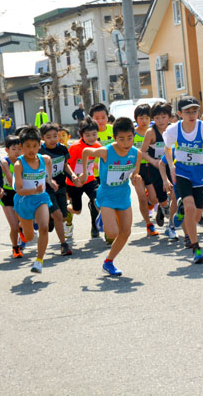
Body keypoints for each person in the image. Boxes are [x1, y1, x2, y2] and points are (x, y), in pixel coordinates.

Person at [80, 117, 141, 276]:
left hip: (123, 195)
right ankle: (102, 215)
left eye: (129, 138)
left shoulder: (136, 153)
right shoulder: (106, 151)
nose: (126, 142)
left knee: (126, 231)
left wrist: (136, 178)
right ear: (114, 138)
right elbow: (86, 151)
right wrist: (86, 173)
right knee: (112, 233)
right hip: (106, 194)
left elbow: (135, 174)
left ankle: (108, 262)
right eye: (122, 139)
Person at [163, 96, 203, 264]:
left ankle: (181, 211)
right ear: (180, 113)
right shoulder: (173, 130)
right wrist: (172, 166)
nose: (192, 115)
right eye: (187, 112)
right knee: (190, 206)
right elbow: (166, 149)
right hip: (182, 171)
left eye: (195, 111)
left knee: (196, 214)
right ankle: (196, 248)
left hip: (200, 172)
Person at [13, 126, 57, 274]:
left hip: (40, 198)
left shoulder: (44, 159)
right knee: (30, 236)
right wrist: (33, 190)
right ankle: (22, 228)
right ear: (21, 147)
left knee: (44, 226)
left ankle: (39, 261)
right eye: (27, 146)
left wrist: (50, 180)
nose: (31, 150)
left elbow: (49, 163)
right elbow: (19, 190)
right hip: (24, 200)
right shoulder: (19, 165)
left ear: (40, 145)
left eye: (35, 146)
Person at [40, 122, 78, 256]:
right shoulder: (40, 151)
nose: (52, 139)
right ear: (43, 138)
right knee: (58, 215)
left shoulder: (62, 149)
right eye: (48, 137)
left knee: (62, 217)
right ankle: (64, 244)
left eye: (55, 136)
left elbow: (65, 165)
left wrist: (72, 175)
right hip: (46, 188)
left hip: (61, 185)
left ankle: (50, 219)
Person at [140, 102, 174, 235]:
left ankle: (171, 221)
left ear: (169, 117)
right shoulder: (151, 132)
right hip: (155, 168)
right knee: (162, 196)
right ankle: (162, 206)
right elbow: (142, 152)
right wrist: (153, 161)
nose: (160, 121)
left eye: (163, 117)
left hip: (171, 166)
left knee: (174, 192)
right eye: (157, 118)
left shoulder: (174, 129)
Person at [65, 117, 101, 238]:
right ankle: (67, 209)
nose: (91, 138)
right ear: (81, 135)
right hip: (73, 182)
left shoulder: (97, 146)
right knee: (77, 210)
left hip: (90, 179)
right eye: (88, 135)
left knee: (98, 200)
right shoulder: (75, 147)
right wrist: (74, 179)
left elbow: (97, 162)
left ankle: (101, 227)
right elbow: (66, 165)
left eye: (94, 134)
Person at [132, 104, 159, 236]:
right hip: (136, 168)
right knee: (141, 197)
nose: (144, 121)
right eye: (141, 118)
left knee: (154, 199)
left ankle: (150, 201)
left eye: (147, 118)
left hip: (150, 167)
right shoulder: (132, 134)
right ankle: (149, 225)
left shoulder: (153, 131)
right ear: (136, 119)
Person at [1, 135, 24, 258]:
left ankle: (23, 230)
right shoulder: (5, 162)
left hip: (21, 193)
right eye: (14, 149)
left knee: (24, 222)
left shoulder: (24, 160)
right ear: (7, 150)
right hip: (7, 195)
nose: (17, 152)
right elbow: (11, 181)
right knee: (14, 226)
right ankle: (15, 248)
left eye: (20, 149)